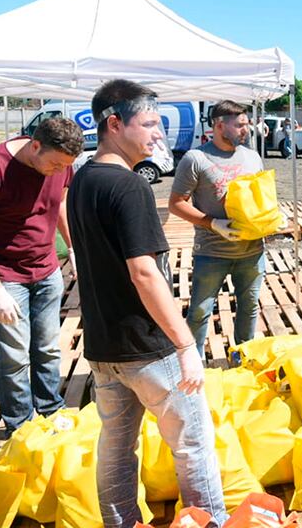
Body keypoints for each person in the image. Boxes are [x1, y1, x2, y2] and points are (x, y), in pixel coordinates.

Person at [67, 80, 226, 527]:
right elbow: (144, 273)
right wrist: (185, 345)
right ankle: (210, 523)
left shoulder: (82, 180)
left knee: (116, 449)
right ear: (115, 124)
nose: (159, 134)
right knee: (193, 444)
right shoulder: (129, 187)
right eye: (150, 123)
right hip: (149, 348)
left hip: (104, 348)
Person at [0, 117, 83, 434]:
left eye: (65, 166)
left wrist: (73, 248)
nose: (59, 171)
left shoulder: (62, 166)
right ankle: (20, 424)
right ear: (35, 145)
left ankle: (50, 408)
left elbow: (60, 203)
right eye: (55, 164)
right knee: (14, 356)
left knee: (47, 347)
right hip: (6, 274)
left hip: (47, 269)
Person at [170, 101, 266, 354]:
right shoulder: (196, 159)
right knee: (200, 311)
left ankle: (244, 357)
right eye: (240, 125)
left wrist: (270, 217)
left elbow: (260, 197)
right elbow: (176, 204)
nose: (246, 130)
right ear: (219, 125)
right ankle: (195, 365)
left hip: (252, 252)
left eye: (247, 124)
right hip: (212, 253)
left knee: (249, 307)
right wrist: (212, 223)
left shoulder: (252, 157)